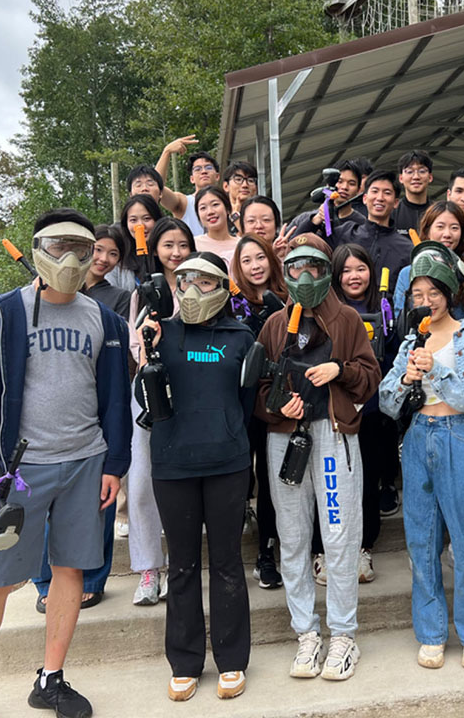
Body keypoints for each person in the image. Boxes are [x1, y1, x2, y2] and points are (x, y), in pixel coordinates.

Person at [0, 209, 131, 718]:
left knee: (71, 569)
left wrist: (116, 462)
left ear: (95, 256)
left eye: (82, 249)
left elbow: (114, 398)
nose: (71, 258)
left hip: (86, 463)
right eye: (60, 246)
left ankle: (51, 677)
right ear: (39, 248)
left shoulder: (105, 320)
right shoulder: (3, 314)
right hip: (19, 469)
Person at [254, 233, 381, 681]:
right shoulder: (274, 325)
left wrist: (340, 371)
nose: (304, 277)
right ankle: (306, 634)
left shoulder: (346, 319)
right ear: (284, 272)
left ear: (328, 270)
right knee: (291, 538)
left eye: (313, 268)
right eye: (295, 268)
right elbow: (258, 389)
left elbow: (370, 378)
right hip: (284, 440)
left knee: (340, 535)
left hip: (332, 437)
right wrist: (275, 407)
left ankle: (343, 635)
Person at [137, 251, 255, 702]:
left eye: (205, 282)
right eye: (185, 280)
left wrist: (229, 437)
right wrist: (147, 348)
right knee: (182, 565)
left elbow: (246, 405)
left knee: (226, 562)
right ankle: (185, 662)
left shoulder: (240, 336)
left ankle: (232, 660)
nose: (193, 290)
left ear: (223, 289)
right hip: (172, 463)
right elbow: (144, 396)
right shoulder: (161, 334)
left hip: (227, 463)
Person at [379, 241, 464, 671]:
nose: (425, 302)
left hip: (460, 437)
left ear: (449, 292)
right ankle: (430, 633)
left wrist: (435, 369)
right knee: (421, 541)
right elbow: (387, 402)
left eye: (434, 293)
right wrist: (407, 378)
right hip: (418, 436)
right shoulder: (411, 338)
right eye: (418, 295)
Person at [31, 223, 129, 613]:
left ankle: (91, 578)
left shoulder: (113, 302)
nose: (101, 259)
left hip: (91, 425)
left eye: (112, 254)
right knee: (43, 515)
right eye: (98, 250)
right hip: (41, 434)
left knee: (96, 509)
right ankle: (45, 580)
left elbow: (116, 372)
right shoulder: (28, 303)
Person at [309, 243, 401, 584]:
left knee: (368, 482)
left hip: (374, 411)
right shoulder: (324, 310)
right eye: (345, 270)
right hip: (333, 412)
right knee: (328, 484)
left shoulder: (386, 309)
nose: (353, 276)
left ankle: (364, 547)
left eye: (359, 268)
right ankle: (323, 551)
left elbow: (393, 357)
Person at [127, 218, 195, 606]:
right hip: (150, 388)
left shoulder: (199, 284)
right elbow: (137, 342)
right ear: (155, 249)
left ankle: (180, 565)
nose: (175, 252)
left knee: (181, 482)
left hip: (189, 387)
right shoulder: (143, 292)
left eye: (182, 244)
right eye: (168, 245)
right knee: (140, 483)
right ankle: (149, 567)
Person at [230, 234, 288, 590]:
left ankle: (266, 553)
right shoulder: (230, 302)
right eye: (247, 260)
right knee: (238, 479)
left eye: (260, 258)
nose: (255, 266)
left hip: (274, 402)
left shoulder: (286, 298)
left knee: (270, 479)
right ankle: (231, 556)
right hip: (238, 405)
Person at [393, 202, 464, 328]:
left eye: (454, 228)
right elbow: (401, 319)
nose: (447, 234)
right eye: (440, 227)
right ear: (427, 230)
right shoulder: (407, 274)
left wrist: (460, 337)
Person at [298, 170, 415, 280]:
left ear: (395, 203)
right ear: (364, 198)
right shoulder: (344, 233)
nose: (380, 198)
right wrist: (317, 219)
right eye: (374, 191)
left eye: (387, 193)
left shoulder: (406, 248)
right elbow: (299, 244)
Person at [154, 137, 218, 237]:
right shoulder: (184, 203)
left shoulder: (229, 202)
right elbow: (156, 188)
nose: (204, 171)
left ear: (217, 176)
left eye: (208, 167)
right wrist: (166, 152)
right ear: (192, 179)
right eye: (197, 169)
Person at [107, 194, 165, 291]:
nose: (140, 226)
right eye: (133, 220)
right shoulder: (118, 258)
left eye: (147, 218)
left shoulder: (167, 255)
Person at [80, 224, 131, 317]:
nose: (104, 259)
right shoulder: (67, 289)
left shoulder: (121, 297)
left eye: (113, 254)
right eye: (98, 250)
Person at [194, 186, 239, 266]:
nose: (210, 212)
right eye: (203, 208)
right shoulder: (194, 245)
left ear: (228, 208)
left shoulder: (241, 244)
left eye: (215, 204)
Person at [392, 150, 433, 235]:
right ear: (401, 178)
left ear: (430, 177)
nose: (416, 177)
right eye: (410, 171)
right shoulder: (392, 212)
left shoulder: (438, 212)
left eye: (422, 171)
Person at [221, 162, 259, 230]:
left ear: (256, 188)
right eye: (238, 179)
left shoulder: (262, 214)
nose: (245, 185)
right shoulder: (219, 215)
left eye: (250, 180)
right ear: (226, 186)